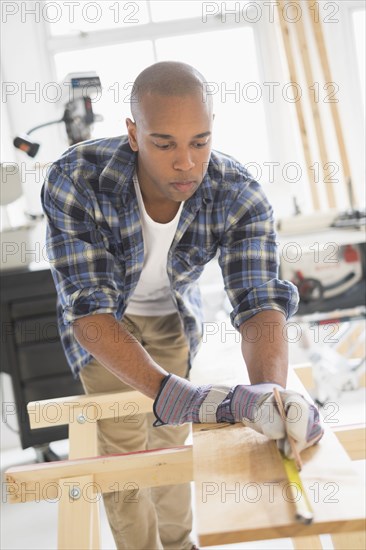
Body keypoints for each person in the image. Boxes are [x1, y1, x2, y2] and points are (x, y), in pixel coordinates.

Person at [41, 61, 323, 550]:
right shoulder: (76, 178)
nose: (186, 163)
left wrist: (272, 396)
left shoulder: (238, 193)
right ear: (133, 133)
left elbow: (259, 301)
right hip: (106, 324)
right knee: (126, 451)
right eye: (164, 143)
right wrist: (180, 395)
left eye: (200, 141)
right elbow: (89, 310)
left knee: (170, 441)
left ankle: (179, 544)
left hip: (172, 317)